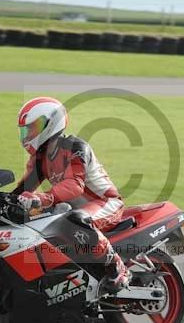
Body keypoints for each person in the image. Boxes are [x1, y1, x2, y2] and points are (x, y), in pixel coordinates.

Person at [12, 97, 131, 290]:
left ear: (51, 123)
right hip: (73, 209)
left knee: (77, 220)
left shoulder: (75, 147)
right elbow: (22, 190)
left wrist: (43, 198)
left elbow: (75, 184)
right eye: (26, 130)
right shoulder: (40, 158)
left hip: (105, 202)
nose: (28, 134)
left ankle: (118, 268)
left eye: (33, 128)